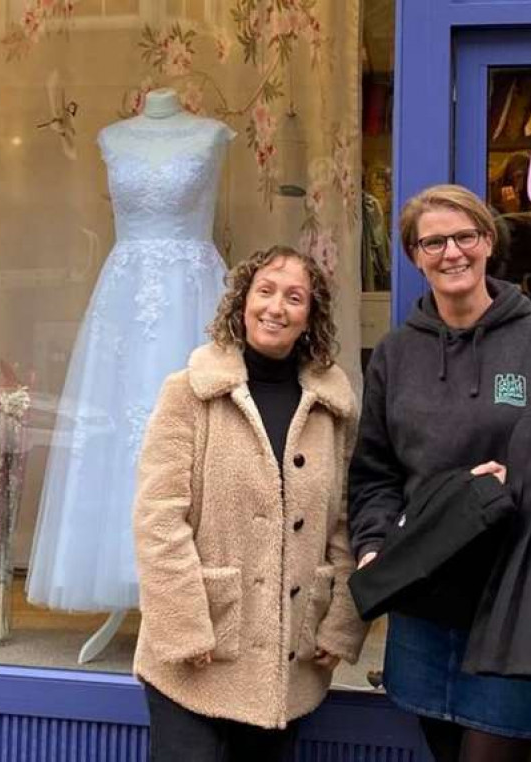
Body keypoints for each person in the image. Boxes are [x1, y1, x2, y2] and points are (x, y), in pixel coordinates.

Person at [348, 184, 531, 762]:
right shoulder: (395, 353)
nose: (451, 252)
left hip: (518, 595)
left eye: (465, 236)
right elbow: (374, 470)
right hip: (426, 590)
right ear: (414, 255)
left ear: (489, 242)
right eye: (433, 242)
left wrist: (523, 475)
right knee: (447, 746)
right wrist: (373, 545)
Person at [132, 246, 367, 762]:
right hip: (199, 653)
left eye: (294, 297)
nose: (275, 307)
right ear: (242, 302)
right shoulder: (190, 393)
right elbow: (158, 519)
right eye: (264, 291)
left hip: (287, 664)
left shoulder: (332, 409)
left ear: (311, 317)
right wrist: (183, 626)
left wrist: (342, 620)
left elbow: (345, 525)